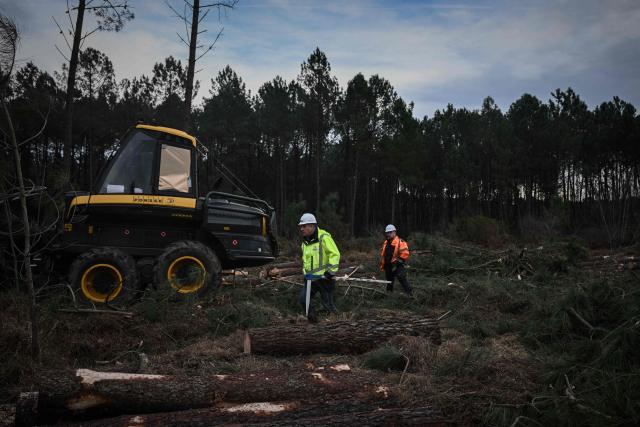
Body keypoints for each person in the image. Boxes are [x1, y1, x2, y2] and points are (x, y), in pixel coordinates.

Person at [298, 213, 340, 322]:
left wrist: (330, 272)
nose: (301, 229)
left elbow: (335, 254)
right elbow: (305, 261)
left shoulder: (324, 237)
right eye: (301, 227)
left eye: (304, 226)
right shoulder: (304, 243)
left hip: (325, 279)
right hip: (310, 279)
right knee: (304, 300)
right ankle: (314, 324)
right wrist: (305, 273)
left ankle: (339, 324)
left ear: (312, 226)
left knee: (328, 306)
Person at [380, 224, 413, 295]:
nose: (388, 234)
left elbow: (405, 253)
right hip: (388, 265)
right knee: (389, 281)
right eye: (387, 232)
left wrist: (398, 261)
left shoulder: (400, 242)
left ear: (394, 232)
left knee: (402, 278)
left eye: (390, 232)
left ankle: (410, 294)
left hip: (397, 265)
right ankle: (389, 294)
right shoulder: (386, 242)